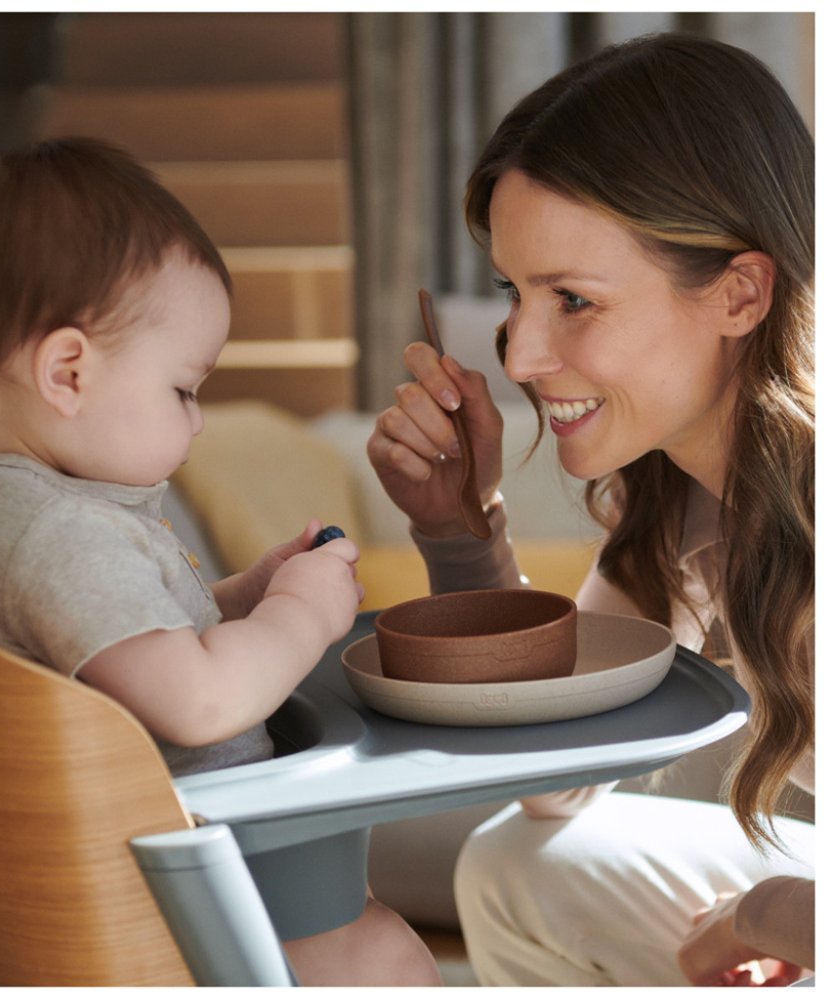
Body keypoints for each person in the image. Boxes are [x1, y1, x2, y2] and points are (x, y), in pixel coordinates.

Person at [0, 136, 441, 987]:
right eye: (184, 390)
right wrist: (298, 615)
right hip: (165, 880)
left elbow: (128, 652)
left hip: (168, 850)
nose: (196, 423)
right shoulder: (62, 536)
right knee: (380, 956)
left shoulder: (23, 505)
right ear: (68, 373)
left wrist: (240, 600)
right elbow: (194, 701)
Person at [366, 32, 814, 987]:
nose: (520, 356)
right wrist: (464, 531)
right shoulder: (687, 500)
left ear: (740, 293)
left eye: (572, 298)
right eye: (516, 293)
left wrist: (772, 916)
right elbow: (556, 790)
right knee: (519, 866)